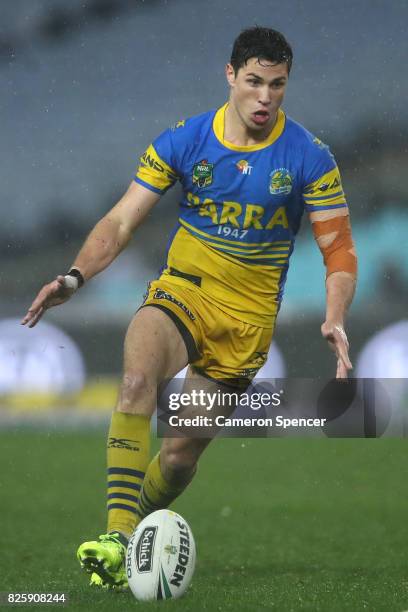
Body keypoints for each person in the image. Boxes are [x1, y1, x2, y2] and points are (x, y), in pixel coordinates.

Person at [22, 26, 357, 589]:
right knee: (134, 381)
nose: (265, 97)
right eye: (253, 81)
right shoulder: (184, 141)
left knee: (178, 460)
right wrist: (76, 276)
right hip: (183, 291)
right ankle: (118, 537)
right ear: (231, 76)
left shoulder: (309, 156)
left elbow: (339, 250)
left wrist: (335, 315)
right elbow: (122, 220)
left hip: (245, 325)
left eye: (277, 85)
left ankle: (134, 536)